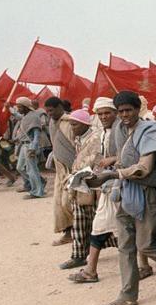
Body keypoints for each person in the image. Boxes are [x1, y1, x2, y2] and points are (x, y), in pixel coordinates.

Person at [101, 91, 156, 305]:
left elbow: (144, 167)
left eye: (129, 110)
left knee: (146, 245)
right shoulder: (119, 130)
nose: (125, 114)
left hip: (147, 193)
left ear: (138, 110)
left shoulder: (149, 131)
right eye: (121, 111)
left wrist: (113, 175)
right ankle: (128, 295)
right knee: (125, 246)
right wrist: (112, 165)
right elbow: (125, 157)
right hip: (126, 192)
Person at [68, 97, 119, 283]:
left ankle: (149, 265)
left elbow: (130, 155)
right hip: (107, 187)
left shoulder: (119, 132)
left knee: (128, 230)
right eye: (100, 114)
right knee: (101, 226)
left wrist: (113, 160)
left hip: (120, 185)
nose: (104, 116)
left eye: (107, 113)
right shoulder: (105, 133)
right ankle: (90, 270)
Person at [59, 109, 105, 270]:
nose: (72, 128)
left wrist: (78, 173)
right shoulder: (80, 139)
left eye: (75, 124)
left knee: (96, 221)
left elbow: (95, 161)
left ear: (85, 124)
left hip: (92, 184)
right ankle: (78, 255)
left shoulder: (96, 139)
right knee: (79, 220)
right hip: (80, 185)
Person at [45, 97, 76, 246]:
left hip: (73, 168)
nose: (50, 113)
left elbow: (76, 145)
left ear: (59, 107)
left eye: (51, 110)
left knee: (69, 202)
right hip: (60, 168)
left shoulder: (70, 122)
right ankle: (68, 232)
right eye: (47, 111)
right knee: (59, 203)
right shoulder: (51, 123)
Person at [12, 97, 46, 198]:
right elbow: (17, 115)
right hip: (23, 145)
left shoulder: (34, 117)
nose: (18, 109)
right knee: (20, 167)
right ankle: (39, 182)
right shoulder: (25, 116)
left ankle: (37, 192)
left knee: (32, 169)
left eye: (19, 107)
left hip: (30, 145)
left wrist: (33, 148)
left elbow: (36, 135)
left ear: (26, 107)